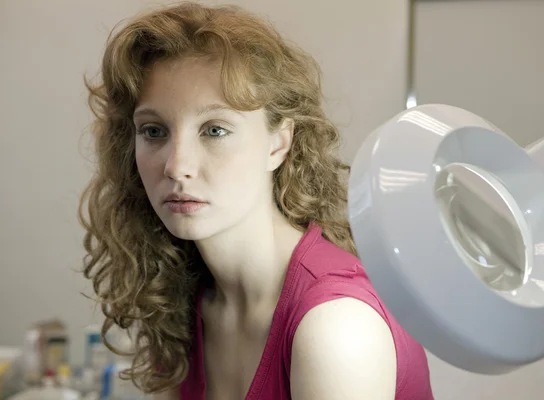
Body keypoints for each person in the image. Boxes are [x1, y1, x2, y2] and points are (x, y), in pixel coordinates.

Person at [79, 2, 434, 399]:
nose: (176, 166)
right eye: (153, 130)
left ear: (278, 144)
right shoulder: (183, 303)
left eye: (214, 129)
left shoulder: (336, 329)